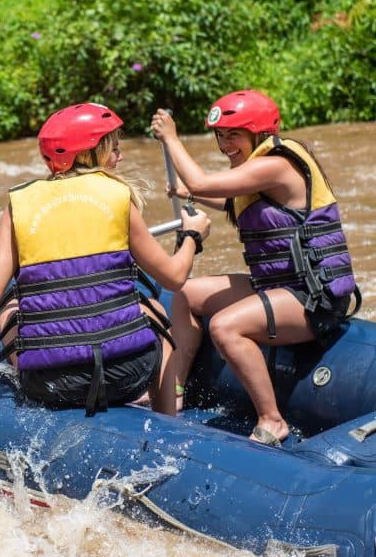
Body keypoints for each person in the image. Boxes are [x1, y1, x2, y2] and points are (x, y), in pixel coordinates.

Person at [0, 103, 210, 417]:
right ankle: (167, 417)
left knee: (9, 308)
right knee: (155, 310)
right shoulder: (118, 196)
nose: (119, 157)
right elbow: (174, 278)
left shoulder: (18, 205)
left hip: (49, 383)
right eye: (113, 150)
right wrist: (192, 235)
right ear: (88, 155)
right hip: (127, 374)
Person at [151, 89, 359, 446]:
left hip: (312, 295)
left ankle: (272, 419)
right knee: (184, 293)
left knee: (225, 326)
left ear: (259, 133)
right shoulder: (254, 171)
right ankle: (175, 392)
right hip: (275, 285)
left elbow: (202, 181)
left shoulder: (278, 164)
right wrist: (186, 192)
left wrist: (171, 138)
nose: (224, 144)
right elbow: (224, 196)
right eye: (220, 135)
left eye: (234, 135)